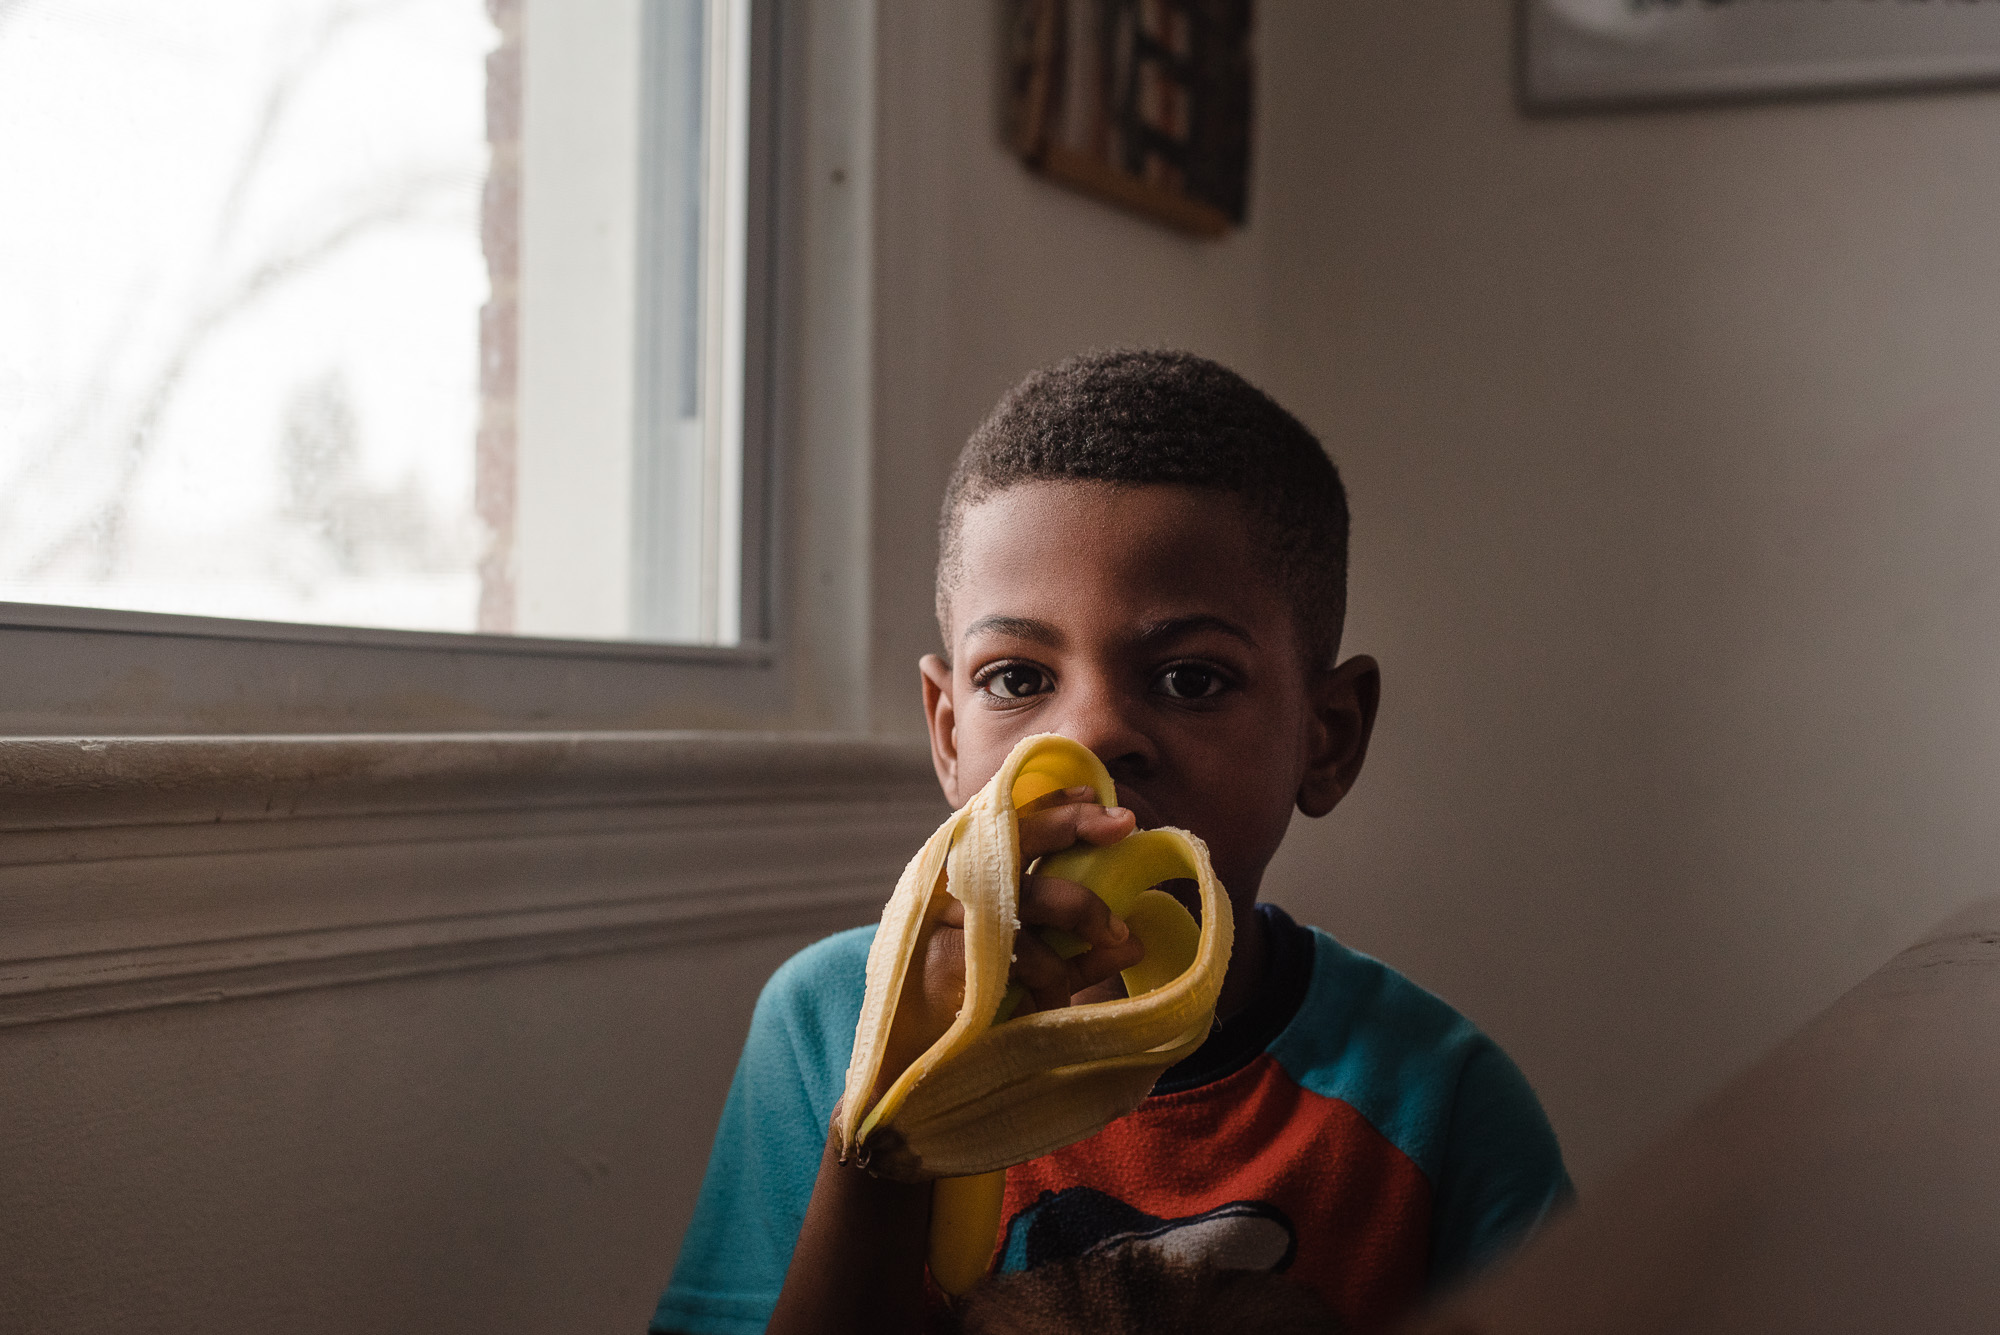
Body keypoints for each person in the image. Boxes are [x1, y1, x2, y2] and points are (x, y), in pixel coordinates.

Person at [652, 350, 1570, 1334]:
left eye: (1190, 680)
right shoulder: (827, 1031)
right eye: (1014, 679)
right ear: (949, 735)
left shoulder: (1440, 1105)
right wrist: (891, 1124)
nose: (1086, 737)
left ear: (1327, 735)